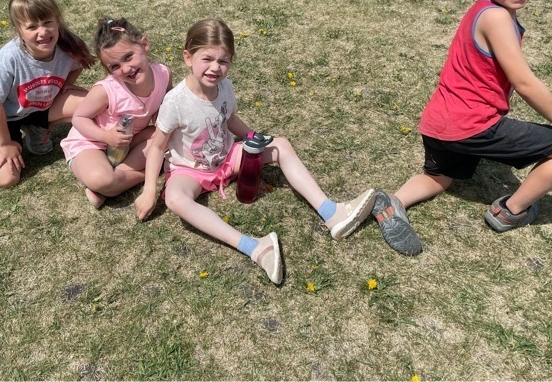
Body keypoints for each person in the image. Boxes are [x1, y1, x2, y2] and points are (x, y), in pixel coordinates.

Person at [368, 0, 552, 256]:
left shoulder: (483, 9)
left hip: (440, 122)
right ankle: (510, 211)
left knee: (440, 177)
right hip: (473, 124)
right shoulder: (497, 18)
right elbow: (525, 83)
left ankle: (393, 202)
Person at [137, 19, 376, 284]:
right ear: (187, 58)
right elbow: (157, 146)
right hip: (190, 170)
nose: (215, 68)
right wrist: (149, 191)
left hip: (226, 158)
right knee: (175, 199)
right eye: (207, 59)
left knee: (281, 145)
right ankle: (256, 247)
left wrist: (253, 137)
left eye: (223, 61)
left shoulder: (225, 87)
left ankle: (332, 212)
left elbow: (229, 119)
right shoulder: (175, 102)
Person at [0, 0, 94, 188]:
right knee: (7, 179)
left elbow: (78, 64)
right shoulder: (9, 58)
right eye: (32, 27)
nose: (42, 32)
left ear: (57, 20)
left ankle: (37, 129)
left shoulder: (68, 47)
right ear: (18, 30)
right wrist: (5, 144)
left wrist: (66, 86)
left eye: (47, 22)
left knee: (92, 104)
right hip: (4, 117)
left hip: (37, 107)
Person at [62, 18, 172, 209]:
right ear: (108, 70)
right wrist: (105, 136)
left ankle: (114, 182)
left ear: (144, 44)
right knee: (101, 179)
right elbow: (78, 118)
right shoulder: (106, 90)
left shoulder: (163, 74)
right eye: (115, 66)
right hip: (90, 143)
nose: (126, 69)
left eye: (128, 57)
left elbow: (165, 108)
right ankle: (124, 181)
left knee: (169, 136)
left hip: (129, 142)